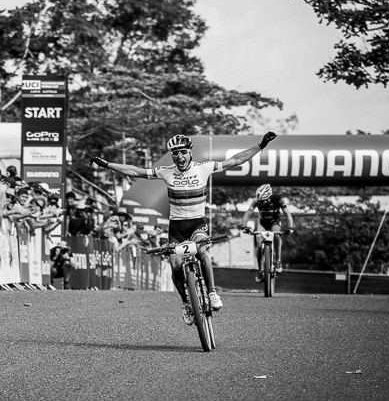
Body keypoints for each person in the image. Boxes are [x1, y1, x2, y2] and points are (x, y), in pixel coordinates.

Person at [92, 131, 277, 324]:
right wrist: (106, 165)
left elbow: (236, 160)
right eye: (175, 153)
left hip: (197, 224)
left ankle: (212, 293)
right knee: (175, 264)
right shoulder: (166, 171)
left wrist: (261, 145)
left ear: (190, 152)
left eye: (182, 152)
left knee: (203, 251)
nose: (179, 157)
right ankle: (186, 302)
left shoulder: (204, 168)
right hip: (177, 228)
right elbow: (134, 171)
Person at [241, 184, 294, 281]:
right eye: (260, 201)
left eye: (264, 200)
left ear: (269, 196)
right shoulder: (256, 201)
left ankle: (278, 261)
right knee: (259, 241)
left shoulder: (278, 199)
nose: (262, 203)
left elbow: (287, 213)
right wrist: (244, 226)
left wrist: (290, 227)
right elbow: (248, 213)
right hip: (262, 223)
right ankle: (260, 269)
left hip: (275, 222)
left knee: (276, 234)